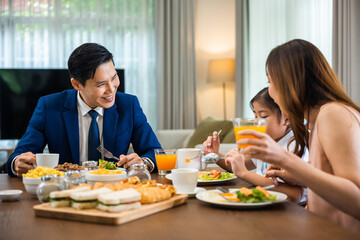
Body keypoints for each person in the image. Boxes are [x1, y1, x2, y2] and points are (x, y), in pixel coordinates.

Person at [234, 39, 360, 233]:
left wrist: (285, 159)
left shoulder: (332, 114)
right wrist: (298, 176)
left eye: (270, 82)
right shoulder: (318, 119)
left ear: (290, 83)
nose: (270, 91)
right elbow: (332, 177)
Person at [6, 43, 161, 177]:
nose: (111, 90)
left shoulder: (129, 105)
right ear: (76, 85)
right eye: (101, 84)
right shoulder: (49, 107)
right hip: (65, 191)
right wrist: (17, 163)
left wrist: (143, 163)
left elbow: (155, 153)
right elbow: (18, 156)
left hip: (114, 191)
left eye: (114, 78)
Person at [203, 88, 309, 203]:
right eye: (255, 117)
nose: (256, 122)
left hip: (289, 210)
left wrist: (245, 174)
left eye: (263, 117)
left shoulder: (295, 144)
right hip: (263, 202)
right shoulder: (266, 142)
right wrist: (215, 155)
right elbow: (240, 165)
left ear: (285, 117)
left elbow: (293, 195)